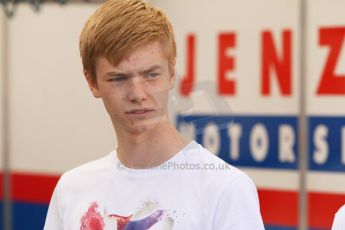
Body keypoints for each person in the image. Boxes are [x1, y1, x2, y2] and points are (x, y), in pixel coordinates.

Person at [44, 0, 265, 229]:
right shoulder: (72, 189)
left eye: (151, 75)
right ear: (92, 82)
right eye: (119, 78)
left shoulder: (224, 189)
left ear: (171, 73)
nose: (137, 94)